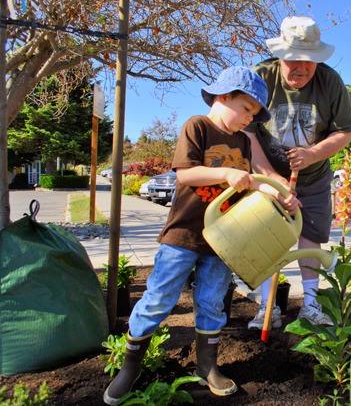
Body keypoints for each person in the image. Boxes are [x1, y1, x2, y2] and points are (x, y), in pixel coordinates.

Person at [103, 66, 299, 404]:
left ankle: (207, 366)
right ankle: (130, 367)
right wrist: (225, 172)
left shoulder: (242, 142)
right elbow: (185, 174)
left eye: (254, 114)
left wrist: (279, 197)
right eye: (246, 109)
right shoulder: (198, 126)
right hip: (183, 234)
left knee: (211, 303)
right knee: (160, 299)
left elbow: (247, 187)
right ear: (223, 97)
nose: (248, 119)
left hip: (223, 240)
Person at [244, 16, 351, 330]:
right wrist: (270, 179)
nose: (302, 68)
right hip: (267, 175)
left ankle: (310, 306)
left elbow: (344, 132)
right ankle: (267, 308)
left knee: (310, 239)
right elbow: (247, 132)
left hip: (314, 177)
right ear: (281, 55)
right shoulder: (261, 77)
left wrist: (312, 154)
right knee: (266, 237)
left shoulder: (330, 82)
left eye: (310, 60)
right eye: (293, 60)